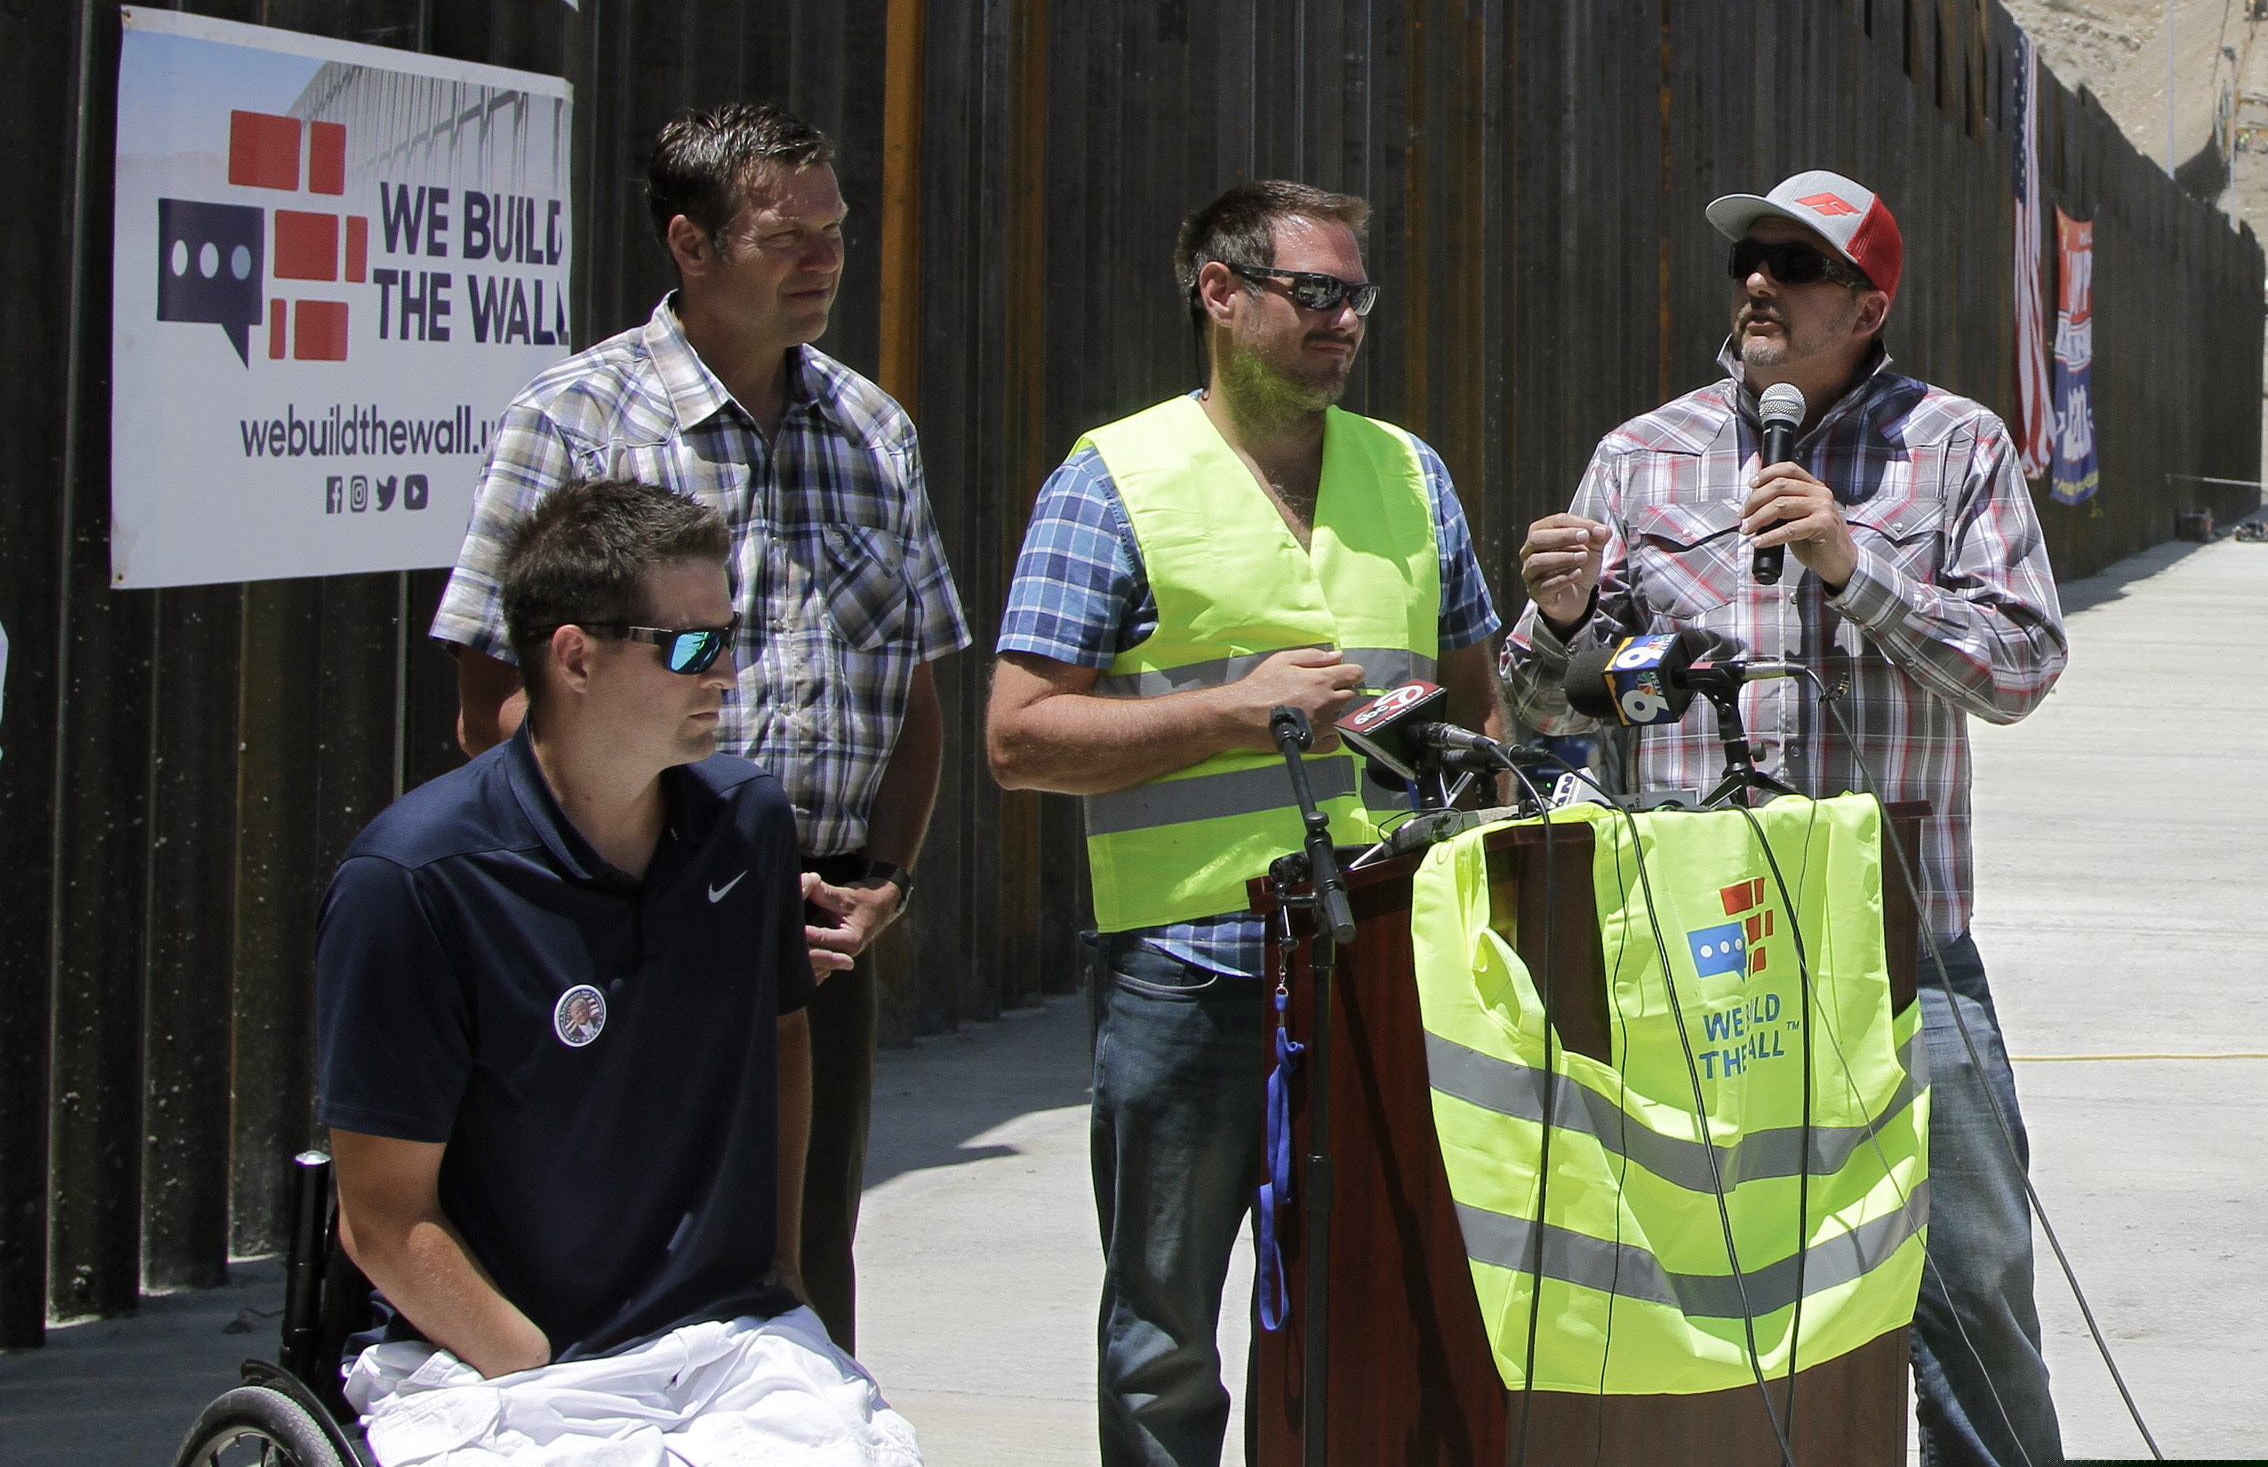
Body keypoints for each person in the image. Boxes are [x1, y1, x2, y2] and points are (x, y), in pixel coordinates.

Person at [1503, 170, 2070, 1467]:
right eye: (1746, 259)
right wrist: (1561, 620)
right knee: (1699, 1292)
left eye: (1794, 264)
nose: (1757, 282)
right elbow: (1548, 717)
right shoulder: (1641, 455)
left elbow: (2022, 667)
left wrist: (1851, 564)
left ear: (1868, 303)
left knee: (1971, 1280)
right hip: (1694, 959)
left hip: (1898, 954)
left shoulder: (1957, 446)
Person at [429, 103, 969, 1355]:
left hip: (817, 933)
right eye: (787, 237)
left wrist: (883, 877)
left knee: (794, 1267)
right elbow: (488, 707)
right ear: (689, 240)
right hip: (624, 925)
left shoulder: (874, 432)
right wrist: (676, 873)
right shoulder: (571, 423)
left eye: (834, 233)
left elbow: (918, 692)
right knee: (616, 1263)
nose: (824, 261)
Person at [983, 181, 1505, 1466]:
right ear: (1219, 294)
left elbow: (1480, 704)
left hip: (1388, 958)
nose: (1344, 321)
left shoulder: (1409, 472)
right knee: (1165, 1332)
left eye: (1356, 296)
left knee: (1385, 1299)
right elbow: (1017, 734)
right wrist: (1234, 713)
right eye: (1314, 293)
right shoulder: (1114, 479)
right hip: (1188, 967)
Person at [316, 479, 922, 1466]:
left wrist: (778, 1267)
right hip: (505, 1365)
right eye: (689, 646)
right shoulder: (411, 881)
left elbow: (781, 1030)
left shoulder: (747, 822)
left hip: (729, 1344)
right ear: (575, 656)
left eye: (731, 636)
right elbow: (382, 1218)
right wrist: (530, 1359)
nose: (725, 673)